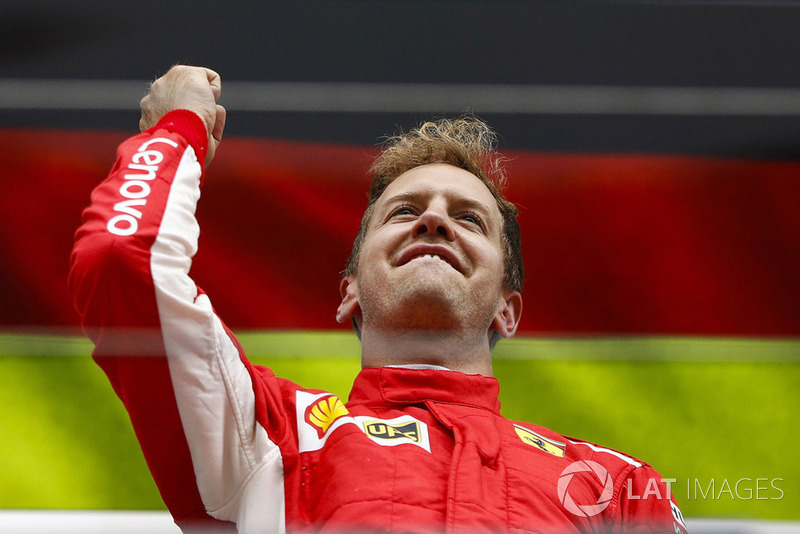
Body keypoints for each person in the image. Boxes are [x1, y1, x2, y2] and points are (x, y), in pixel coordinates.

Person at [69, 65, 688, 534]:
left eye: (468, 219)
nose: (435, 222)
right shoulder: (270, 437)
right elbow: (121, 260)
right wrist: (179, 131)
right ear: (350, 293)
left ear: (508, 308)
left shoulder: (617, 486)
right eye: (405, 212)